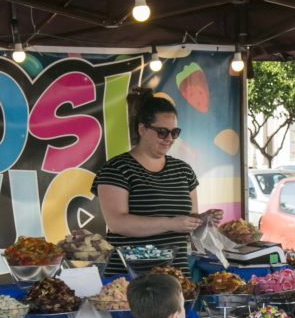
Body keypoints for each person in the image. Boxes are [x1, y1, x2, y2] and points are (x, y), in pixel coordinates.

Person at [93, 87, 220, 277]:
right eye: (162, 132)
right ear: (142, 128)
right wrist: (171, 223)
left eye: (174, 132)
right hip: (129, 279)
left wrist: (202, 220)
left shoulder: (183, 171)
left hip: (176, 277)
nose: (169, 139)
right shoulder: (116, 169)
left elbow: (189, 221)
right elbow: (117, 223)